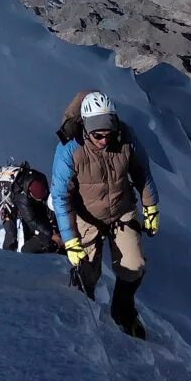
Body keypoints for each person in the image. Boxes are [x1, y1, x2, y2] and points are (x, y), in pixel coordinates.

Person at [51, 90, 160, 338]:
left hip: (121, 211)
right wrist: (70, 241)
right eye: (97, 135)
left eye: (108, 134)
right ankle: (81, 312)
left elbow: (142, 173)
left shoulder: (125, 138)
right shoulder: (70, 149)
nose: (103, 140)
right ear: (86, 129)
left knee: (134, 266)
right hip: (85, 216)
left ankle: (123, 312)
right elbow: (60, 196)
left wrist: (150, 207)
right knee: (86, 271)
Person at [0, 161, 63, 254]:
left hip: (18, 187)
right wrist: (51, 235)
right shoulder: (22, 199)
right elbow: (31, 220)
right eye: (38, 199)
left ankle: (33, 242)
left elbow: (46, 202)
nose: (40, 200)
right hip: (5, 199)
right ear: (30, 193)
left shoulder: (41, 178)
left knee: (39, 212)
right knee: (11, 233)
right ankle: (8, 256)